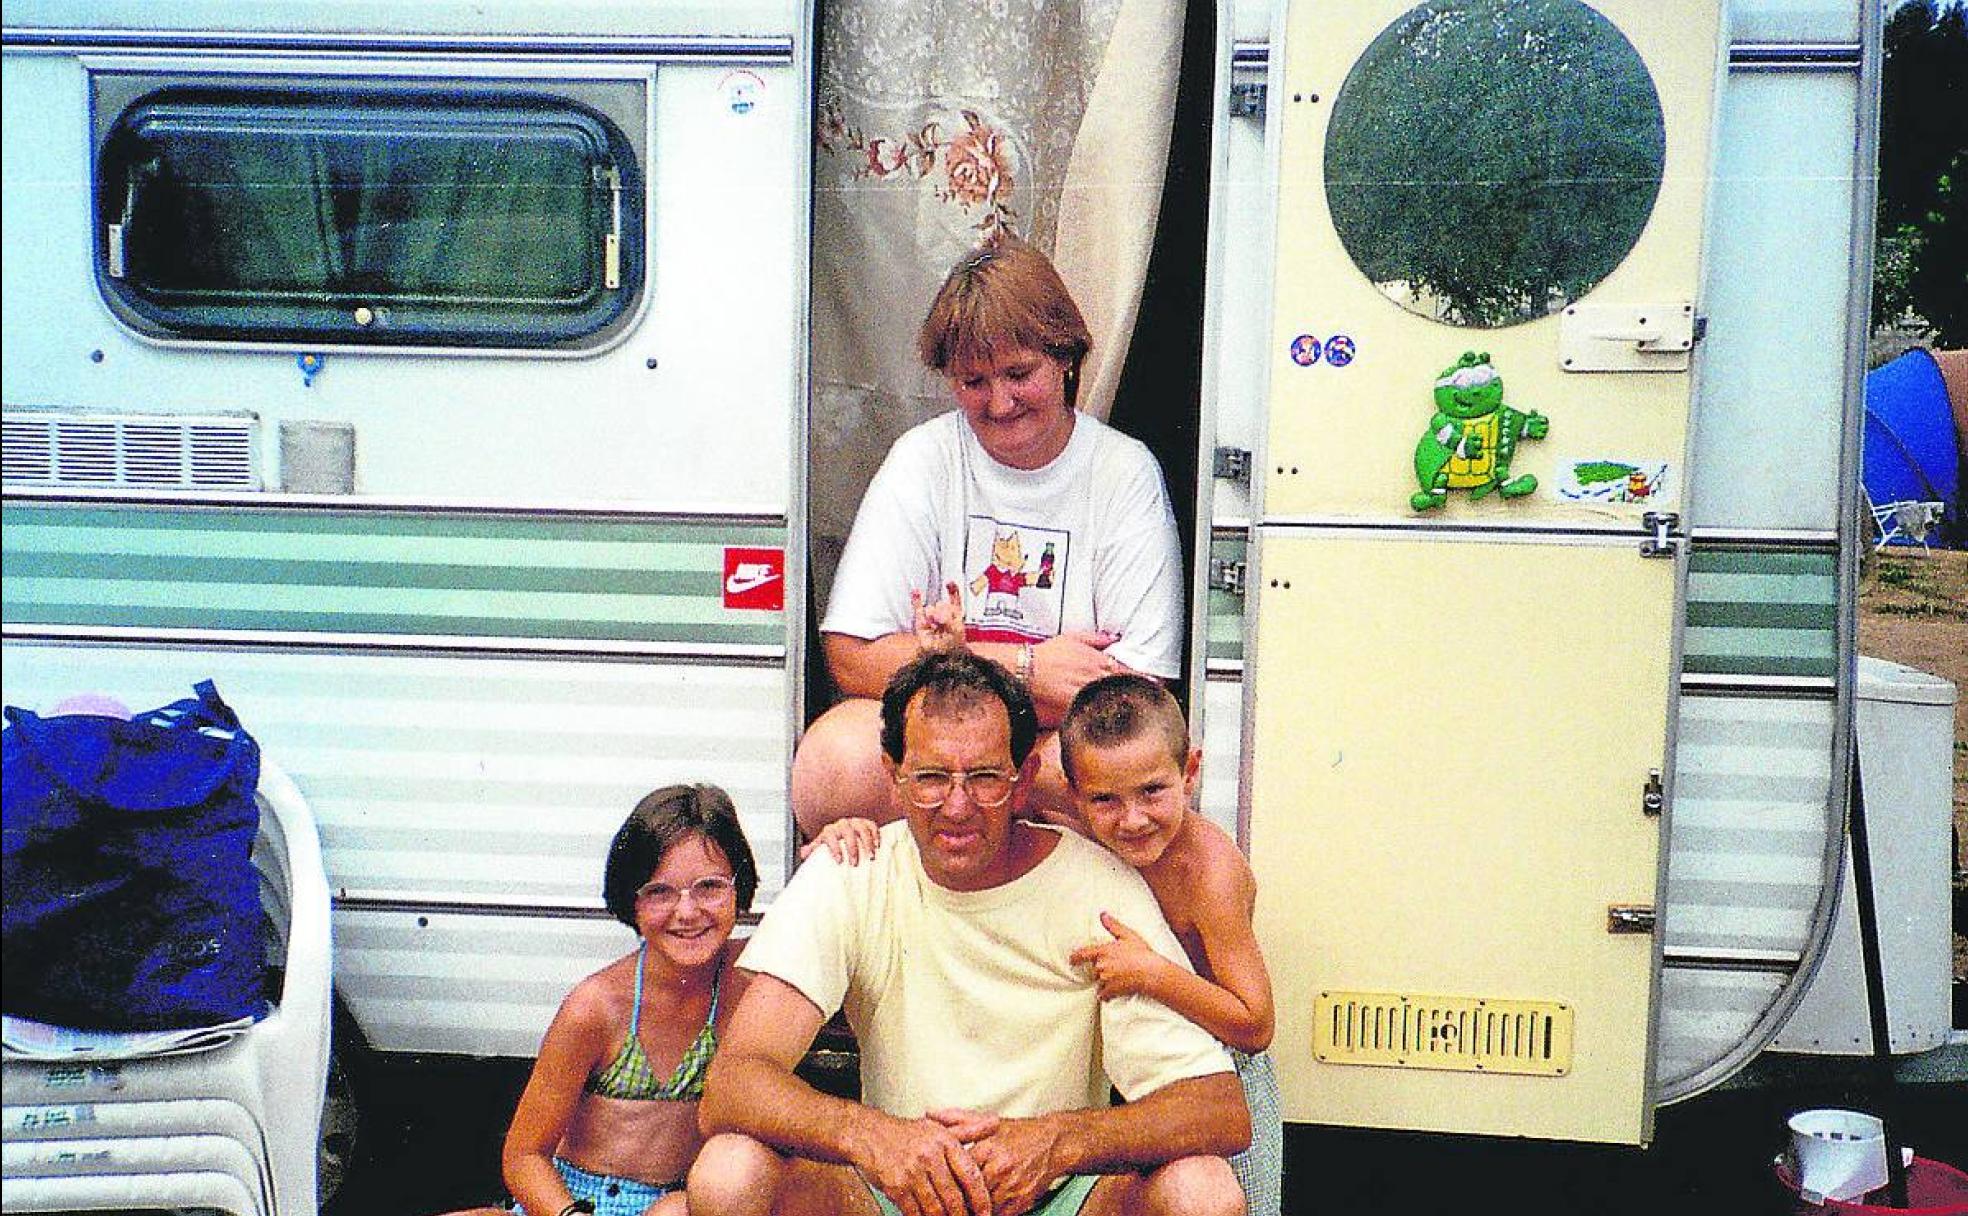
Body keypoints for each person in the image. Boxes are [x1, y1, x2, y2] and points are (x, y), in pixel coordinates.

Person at [690, 650, 1248, 1216]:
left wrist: (1057, 1144)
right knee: (728, 1171)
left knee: (1203, 1190)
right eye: (931, 778)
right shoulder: (851, 870)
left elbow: (1218, 1107)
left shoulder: (1099, 885)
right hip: (892, 1195)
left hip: (1060, 1195)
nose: (957, 806)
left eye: (984, 778)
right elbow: (732, 1085)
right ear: (894, 776)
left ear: (1024, 778)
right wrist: (874, 1137)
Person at [793, 234, 1186, 840]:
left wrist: (933, 659)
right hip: (943, 742)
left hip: (1057, 750)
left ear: (1065, 358)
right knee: (833, 765)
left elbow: (1132, 695)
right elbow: (851, 655)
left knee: (1120, 777)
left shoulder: (1122, 471)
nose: (999, 402)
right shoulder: (922, 458)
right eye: (973, 381)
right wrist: (1027, 668)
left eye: (1018, 373)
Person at [457, 785, 757, 1216]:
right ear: (630, 902)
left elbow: (822, 914)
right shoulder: (597, 1007)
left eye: (709, 887)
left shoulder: (752, 977)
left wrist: (837, 836)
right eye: (659, 892)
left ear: (738, 888)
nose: (687, 912)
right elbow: (524, 1156)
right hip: (574, 1204)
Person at [1057, 675, 1282, 1216]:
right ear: (1075, 795)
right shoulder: (1080, 820)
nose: (1132, 819)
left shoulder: (1209, 871)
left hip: (1222, 1067)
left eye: (1153, 792)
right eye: (1105, 799)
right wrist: (845, 829)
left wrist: (1152, 973)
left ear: (1190, 772)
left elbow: (1255, 1024)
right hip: (1132, 1059)